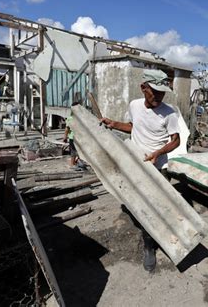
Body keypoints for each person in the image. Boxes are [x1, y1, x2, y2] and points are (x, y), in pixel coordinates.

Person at [100, 69, 180, 272]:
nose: (159, 97)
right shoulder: (135, 105)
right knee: (141, 204)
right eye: (155, 92)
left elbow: (176, 140)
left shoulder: (169, 113)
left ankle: (151, 246)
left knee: (155, 206)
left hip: (158, 166)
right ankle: (149, 241)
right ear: (144, 88)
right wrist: (114, 123)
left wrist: (158, 152)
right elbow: (132, 126)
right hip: (136, 163)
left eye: (162, 93)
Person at [63, 101, 86, 171]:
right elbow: (67, 128)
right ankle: (73, 164)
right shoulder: (74, 118)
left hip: (75, 137)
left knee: (75, 151)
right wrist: (65, 136)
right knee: (74, 151)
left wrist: (65, 137)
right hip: (74, 137)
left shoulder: (73, 118)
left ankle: (75, 162)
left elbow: (67, 129)